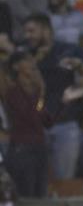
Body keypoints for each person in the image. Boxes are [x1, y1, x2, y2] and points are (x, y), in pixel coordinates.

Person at [21, 13, 83, 181]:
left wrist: (79, 65)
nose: (27, 36)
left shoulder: (68, 50)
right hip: (35, 126)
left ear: (46, 31)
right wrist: (35, 61)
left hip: (66, 124)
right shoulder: (24, 55)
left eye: (32, 31)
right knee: (36, 180)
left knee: (64, 180)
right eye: (26, 32)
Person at [0, 49, 50, 197]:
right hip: (22, 148)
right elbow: (28, 115)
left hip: (38, 146)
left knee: (40, 193)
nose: (32, 64)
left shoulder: (35, 94)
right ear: (16, 67)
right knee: (26, 193)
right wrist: (40, 95)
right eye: (26, 60)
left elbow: (43, 116)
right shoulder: (12, 92)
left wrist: (41, 97)